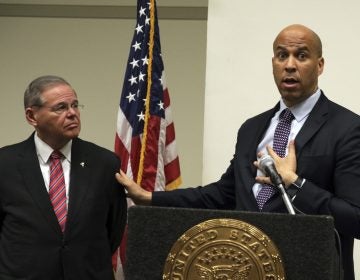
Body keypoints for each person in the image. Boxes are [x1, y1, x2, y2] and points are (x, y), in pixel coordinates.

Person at [116, 24, 360, 280]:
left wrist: (294, 183)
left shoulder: (347, 128)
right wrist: (150, 198)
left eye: (301, 55)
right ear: (273, 63)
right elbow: (223, 194)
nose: (289, 65)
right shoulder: (252, 128)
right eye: (281, 55)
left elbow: (354, 218)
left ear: (319, 65)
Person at [0, 75, 127, 280]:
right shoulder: (5, 164)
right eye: (60, 107)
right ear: (32, 116)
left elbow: (113, 229)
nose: (72, 114)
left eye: (75, 105)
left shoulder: (105, 163)